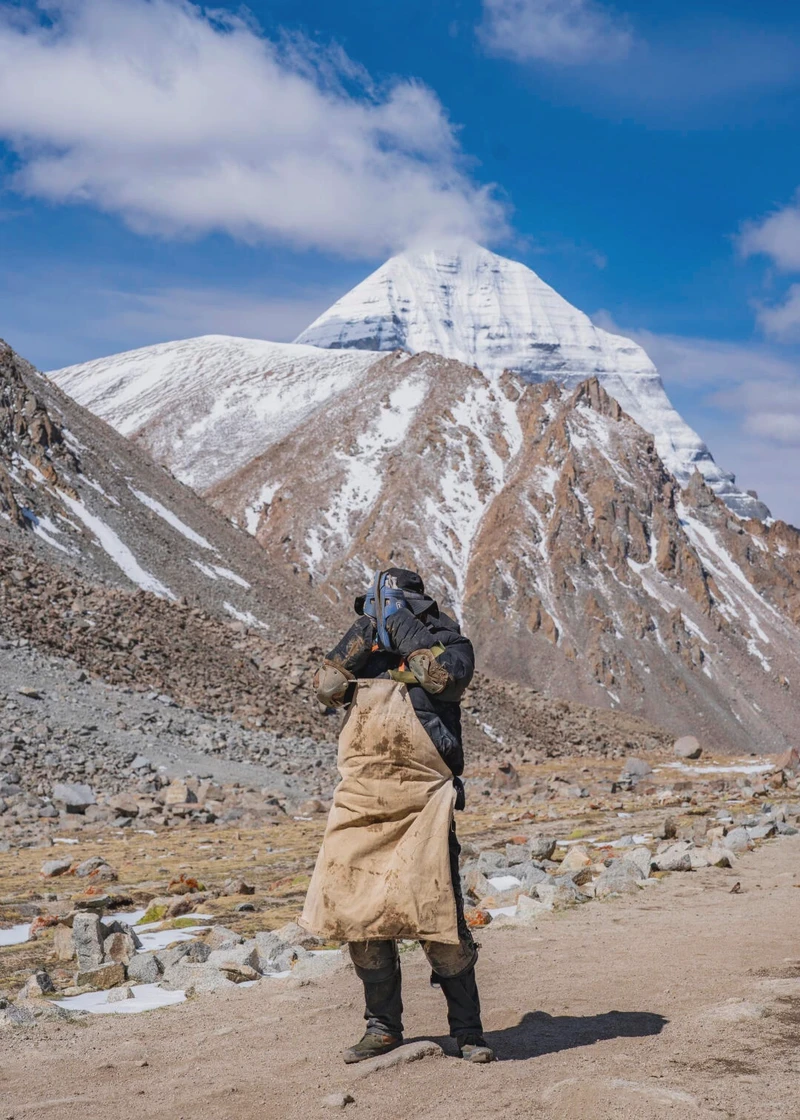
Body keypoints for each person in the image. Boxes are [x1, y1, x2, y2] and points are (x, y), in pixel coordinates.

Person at [300, 568, 493, 1065]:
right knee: (362, 919)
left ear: (417, 608)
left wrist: (403, 625)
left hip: (423, 801)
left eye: (391, 605)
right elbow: (325, 687)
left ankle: (467, 1032)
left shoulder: (452, 645)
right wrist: (365, 632)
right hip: (364, 799)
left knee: (438, 917)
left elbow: (441, 678)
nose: (383, 613)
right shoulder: (366, 653)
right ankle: (382, 1027)